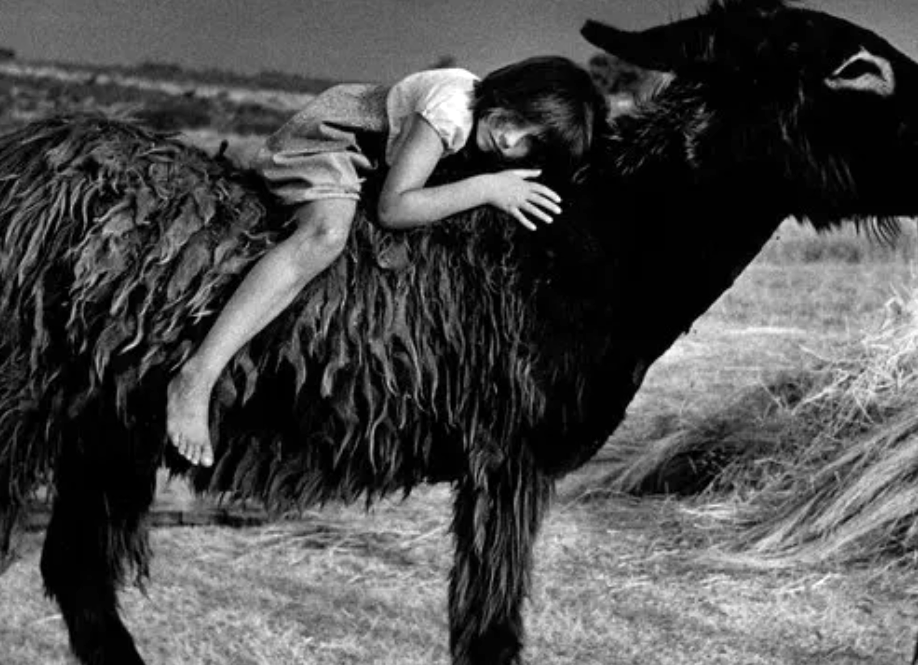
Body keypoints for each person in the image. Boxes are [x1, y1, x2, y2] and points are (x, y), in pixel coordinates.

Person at [165, 56, 606, 467]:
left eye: (530, 143)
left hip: (370, 163)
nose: (510, 139)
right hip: (329, 143)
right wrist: (488, 188)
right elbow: (395, 209)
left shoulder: (484, 128)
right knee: (325, 237)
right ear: (510, 89)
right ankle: (197, 376)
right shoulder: (451, 109)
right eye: (517, 118)